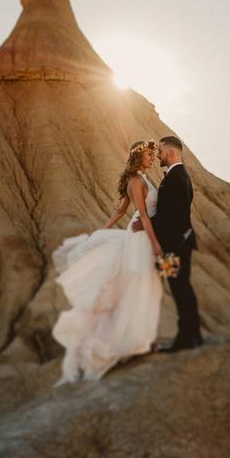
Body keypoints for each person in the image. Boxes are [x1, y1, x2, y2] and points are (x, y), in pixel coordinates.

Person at [50, 140, 164, 384]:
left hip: (141, 231)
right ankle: (132, 340)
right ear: (138, 155)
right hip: (142, 235)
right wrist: (155, 244)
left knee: (146, 286)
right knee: (143, 286)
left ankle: (140, 338)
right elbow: (142, 214)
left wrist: (103, 230)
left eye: (154, 155)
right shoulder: (136, 180)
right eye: (149, 154)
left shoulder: (142, 177)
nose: (152, 158)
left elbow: (122, 210)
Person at [132, 135, 203, 352]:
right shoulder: (176, 175)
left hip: (175, 247)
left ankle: (185, 339)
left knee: (179, 288)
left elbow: (171, 215)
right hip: (176, 244)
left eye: (161, 150)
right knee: (182, 288)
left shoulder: (177, 177)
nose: (158, 154)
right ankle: (194, 333)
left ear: (171, 152)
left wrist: (145, 224)